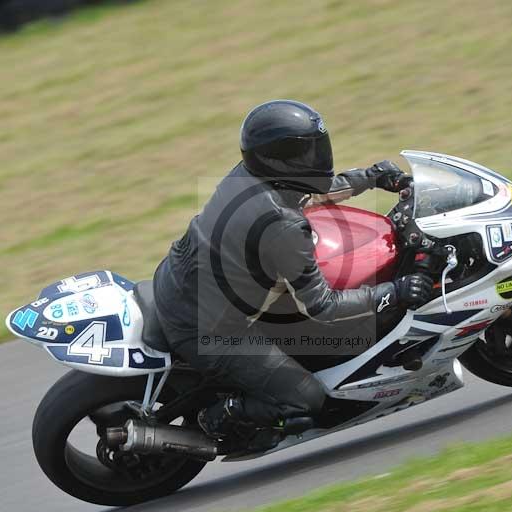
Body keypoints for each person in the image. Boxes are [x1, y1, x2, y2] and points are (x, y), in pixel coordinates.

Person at [152, 100, 433, 446]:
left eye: (316, 148)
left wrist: (371, 177)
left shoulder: (249, 175)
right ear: (279, 159)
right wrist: (395, 291)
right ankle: (218, 417)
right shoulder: (282, 225)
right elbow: (323, 307)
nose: (316, 158)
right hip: (206, 329)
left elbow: (307, 191)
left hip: (179, 283)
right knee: (309, 401)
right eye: (305, 154)